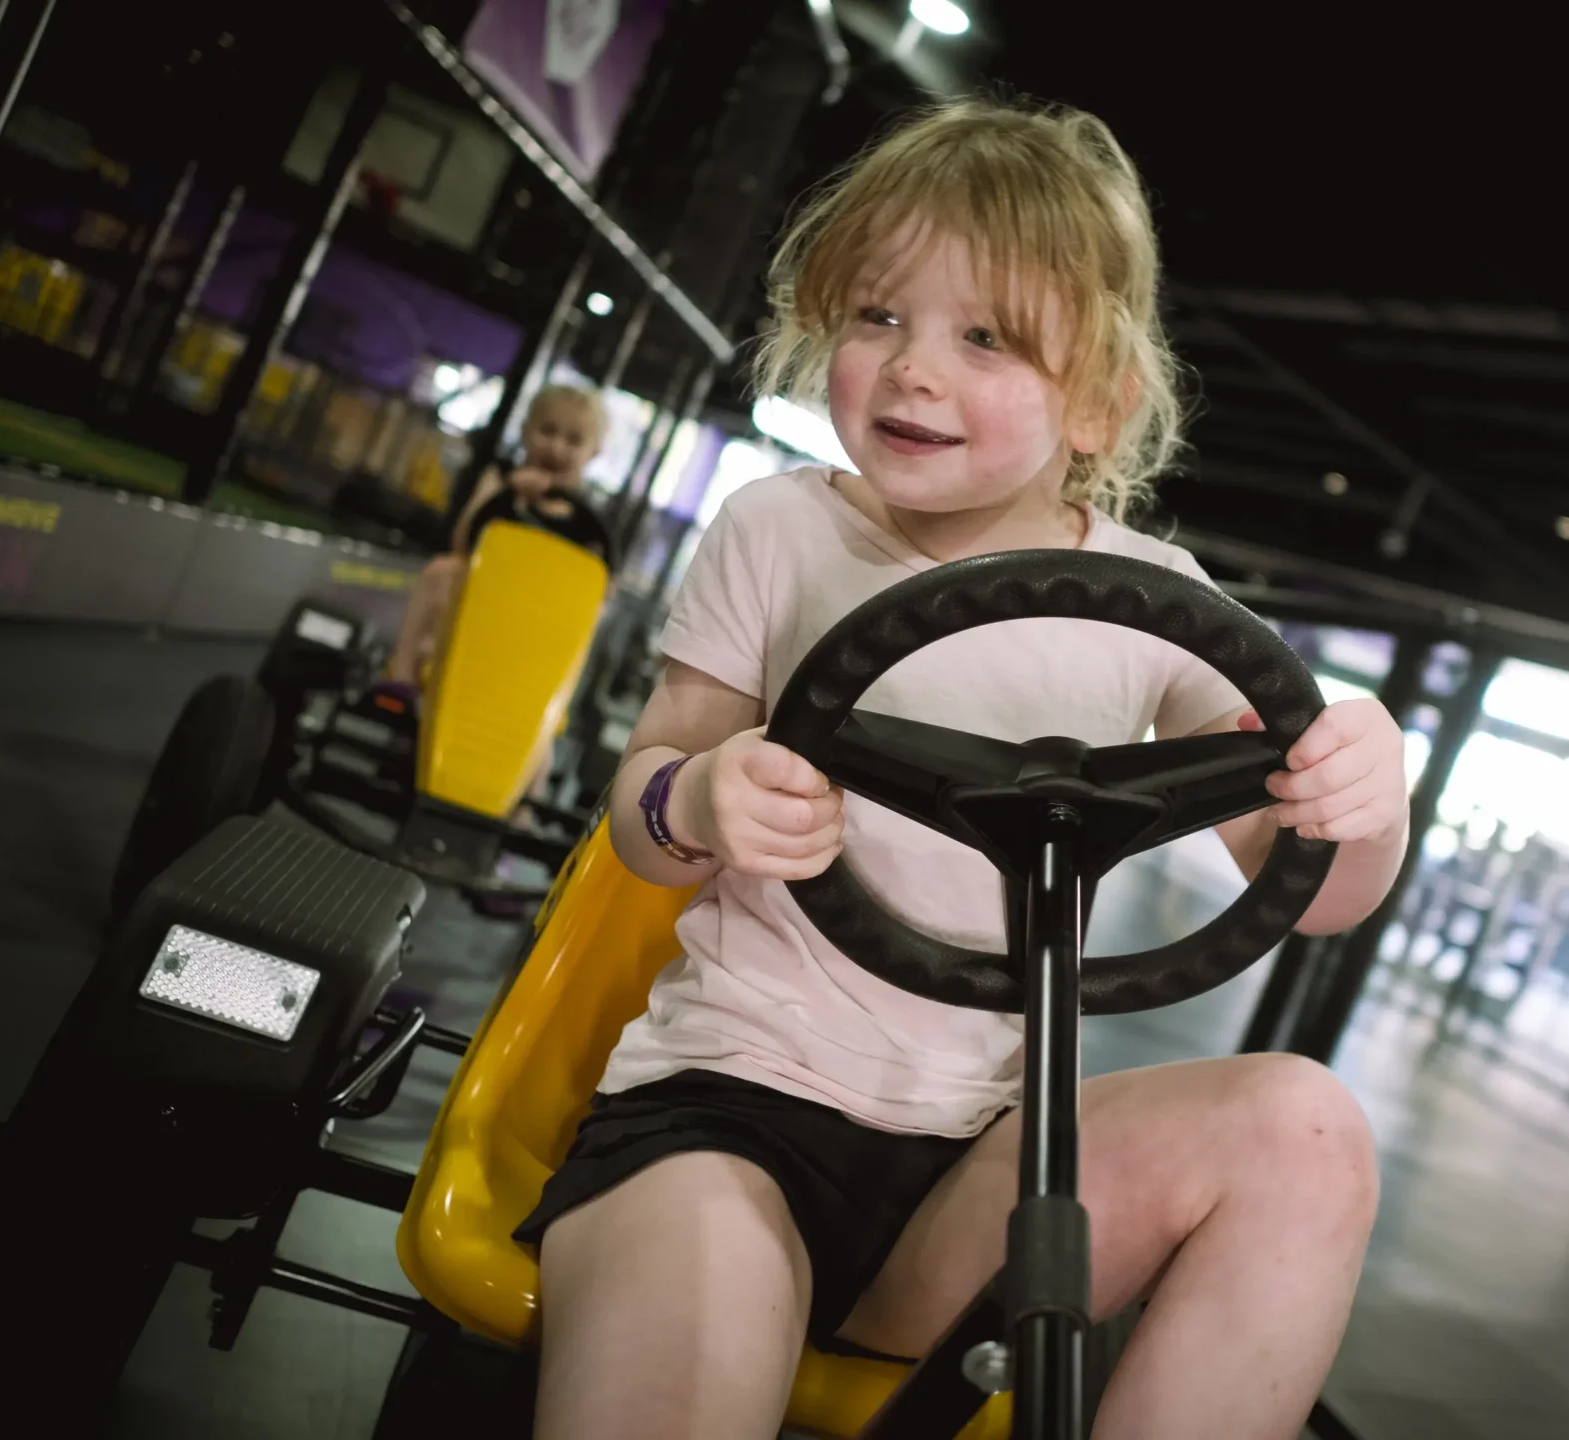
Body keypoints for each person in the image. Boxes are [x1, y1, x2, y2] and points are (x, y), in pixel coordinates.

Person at [522, 97, 1406, 1440]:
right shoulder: (778, 532)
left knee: (1307, 1127)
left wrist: (1357, 792)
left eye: (985, 337)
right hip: (726, 1109)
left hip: (990, 1167)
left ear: (1104, 400)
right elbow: (647, 806)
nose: (912, 370)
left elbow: (1322, 891)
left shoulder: (1157, 606)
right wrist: (697, 796)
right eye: (877, 318)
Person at [372, 381, 610, 705]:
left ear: (593, 451)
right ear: (527, 431)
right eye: (547, 431)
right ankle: (402, 675)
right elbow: (463, 541)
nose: (556, 448)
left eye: (573, 440)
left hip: (540, 618)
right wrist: (508, 491)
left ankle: (548, 705)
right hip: (483, 595)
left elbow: (598, 588)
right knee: (443, 570)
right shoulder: (499, 479)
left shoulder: (586, 524)